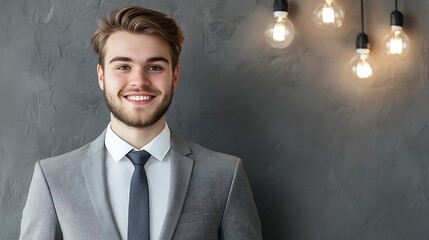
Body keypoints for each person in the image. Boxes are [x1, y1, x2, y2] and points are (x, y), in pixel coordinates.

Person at [19, 5, 262, 240]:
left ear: (174, 77)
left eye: (154, 67)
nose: (139, 81)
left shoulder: (224, 175)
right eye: (123, 66)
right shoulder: (53, 178)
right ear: (101, 76)